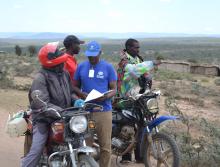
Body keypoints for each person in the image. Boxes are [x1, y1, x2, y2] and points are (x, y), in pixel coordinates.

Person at [21, 42, 77, 167]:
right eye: (60, 61)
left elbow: (71, 93)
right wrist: (61, 111)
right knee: (36, 149)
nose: (63, 63)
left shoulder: (64, 74)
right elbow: (41, 104)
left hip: (64, 117)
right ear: (52, 63)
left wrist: (76, 100)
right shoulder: (40, 78)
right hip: (44, 119)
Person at [73, 41, 117, 167]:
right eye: (89, 55)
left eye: (94, 55)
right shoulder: (81, 67)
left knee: (105, 146)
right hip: (86, 112)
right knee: (85, 146)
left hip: (104, 111)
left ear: (100, 53)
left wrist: (106, 96)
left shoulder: (108, 67)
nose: (91, 57)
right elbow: (74, 86)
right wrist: (82, 95)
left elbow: (114, 89)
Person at [116, 38, 161, 163]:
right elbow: (135, 70)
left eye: (138, 47)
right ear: (129, 48)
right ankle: (125, 157)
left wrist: (147, 78)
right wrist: (152, 63)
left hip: (139, 97)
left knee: (142, 125)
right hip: (125, 98)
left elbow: (143, 73)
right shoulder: (124, 62)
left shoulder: (138, 59)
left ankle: (140, 156)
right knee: (128, 127)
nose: (138, 49)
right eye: (136, 47)